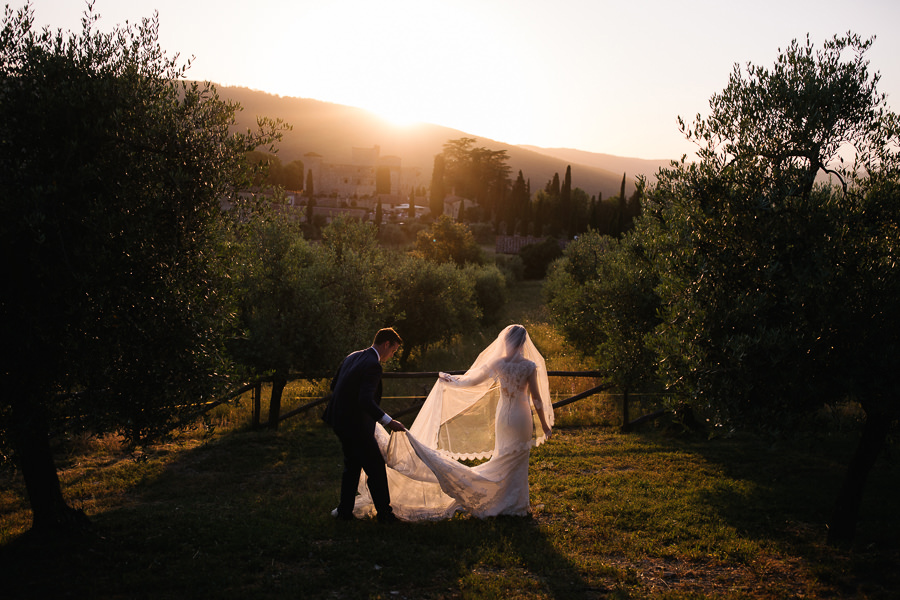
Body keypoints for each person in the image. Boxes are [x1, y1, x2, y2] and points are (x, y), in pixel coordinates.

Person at [348, 324, 554, 521]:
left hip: (504, 417)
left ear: (506, 341)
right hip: (520, 417)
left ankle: (502, 501)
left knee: (503, 456)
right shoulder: (529, 366)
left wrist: (451, 380)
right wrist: (544, 424)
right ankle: (516, 504)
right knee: (518, 459)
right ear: (522, 343)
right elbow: (536, 399)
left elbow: (471, 380)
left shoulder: (497, 363)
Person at [322, 327, 406, 523]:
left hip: (338, 420)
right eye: (393, 350)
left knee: (352, 465)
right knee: (375, 468)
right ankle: (385, 516)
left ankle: (344, 512)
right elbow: (366, 400)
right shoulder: (373, 365)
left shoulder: (353, 356)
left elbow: (334, 385)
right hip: (355, 425)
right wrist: (389, 421)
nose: (392, 355)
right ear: (386, 344)